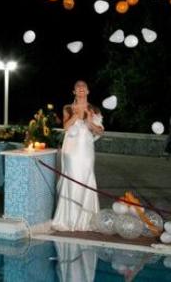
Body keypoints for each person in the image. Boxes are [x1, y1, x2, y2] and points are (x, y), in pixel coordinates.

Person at [52, 80, 104, 232]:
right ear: (74, 91)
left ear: (88, 91)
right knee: (73, 179)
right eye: (78, 87)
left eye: (84, 87)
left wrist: (89, 121)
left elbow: (100, 131)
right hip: (71, 150)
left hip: (86, 150)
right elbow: (66, 127)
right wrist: (76, 116)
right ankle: (69, 219)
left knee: (86, 179)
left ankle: (86, 220)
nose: (81, 88)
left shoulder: (94, 108)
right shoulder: (68, 107)